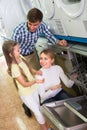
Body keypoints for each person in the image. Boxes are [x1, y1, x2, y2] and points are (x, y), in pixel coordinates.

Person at [2, 40, 53, 130]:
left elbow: (29, 68)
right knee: (38, 112)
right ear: (11, 54)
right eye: (18, 50)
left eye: (19, 48)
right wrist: (36, 81)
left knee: (39, 107)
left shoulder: (20, 57)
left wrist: (37, 71)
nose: (20, 51)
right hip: (26, 94)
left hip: (34, 89)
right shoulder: (14, 68)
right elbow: (24, 84)